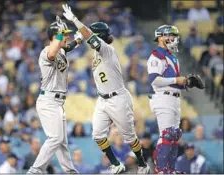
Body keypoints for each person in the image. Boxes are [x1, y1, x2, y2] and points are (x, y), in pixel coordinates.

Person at [62, 4, 150, 174]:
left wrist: (75, 20)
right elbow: (75, 45)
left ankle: (142, 164)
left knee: (129, 136)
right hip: (103, 99)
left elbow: (90, 37)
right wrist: (77, 39)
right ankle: (116, 163)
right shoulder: (96, 54)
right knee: (97, 135)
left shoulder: (107, 49)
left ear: (99, 36)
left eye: (92, 34)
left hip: (118, 98)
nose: (90, 36)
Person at [26, 16, 83, 174]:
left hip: (57, 103)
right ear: (55, 36)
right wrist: (60, 33)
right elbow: (52, 52)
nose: (67, 37)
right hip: (48, 101)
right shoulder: (46, 52)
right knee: (55, 138)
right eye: (64, 34)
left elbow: (67, 47)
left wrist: (78, 39)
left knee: (62, 141)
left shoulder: (61, 50)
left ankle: (69, 170)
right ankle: (36, 170)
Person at [146, 25, 201, 173]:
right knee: (167, 134)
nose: (174, 39)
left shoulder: (172, 57)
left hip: (174, 98)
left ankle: (170, 169)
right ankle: (161, 169)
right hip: (163, 98)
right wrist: (177, 80)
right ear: (160, 37)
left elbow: (175, 82)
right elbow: (154, 79)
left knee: (175, 136)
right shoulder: (156, 56)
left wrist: (188, 82)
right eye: (170, 35)